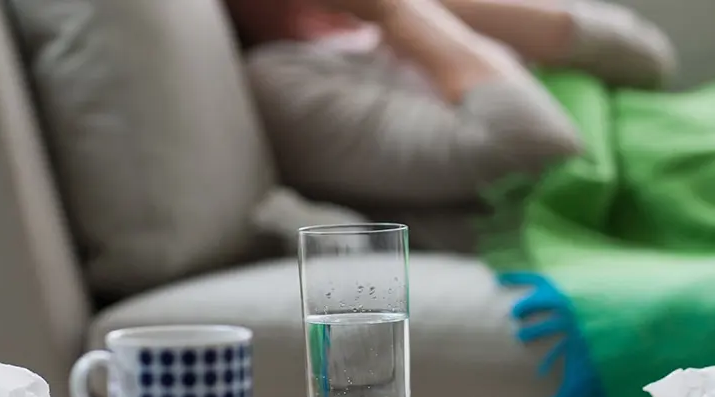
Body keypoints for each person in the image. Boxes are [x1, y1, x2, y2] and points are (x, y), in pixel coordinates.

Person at [227, 0, 676, 252]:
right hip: (652, 185)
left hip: (675, 130)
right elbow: (535, 151)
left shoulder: (422, 19)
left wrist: (427, 10)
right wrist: (396, 13)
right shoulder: (285, 77)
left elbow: (645, 58)